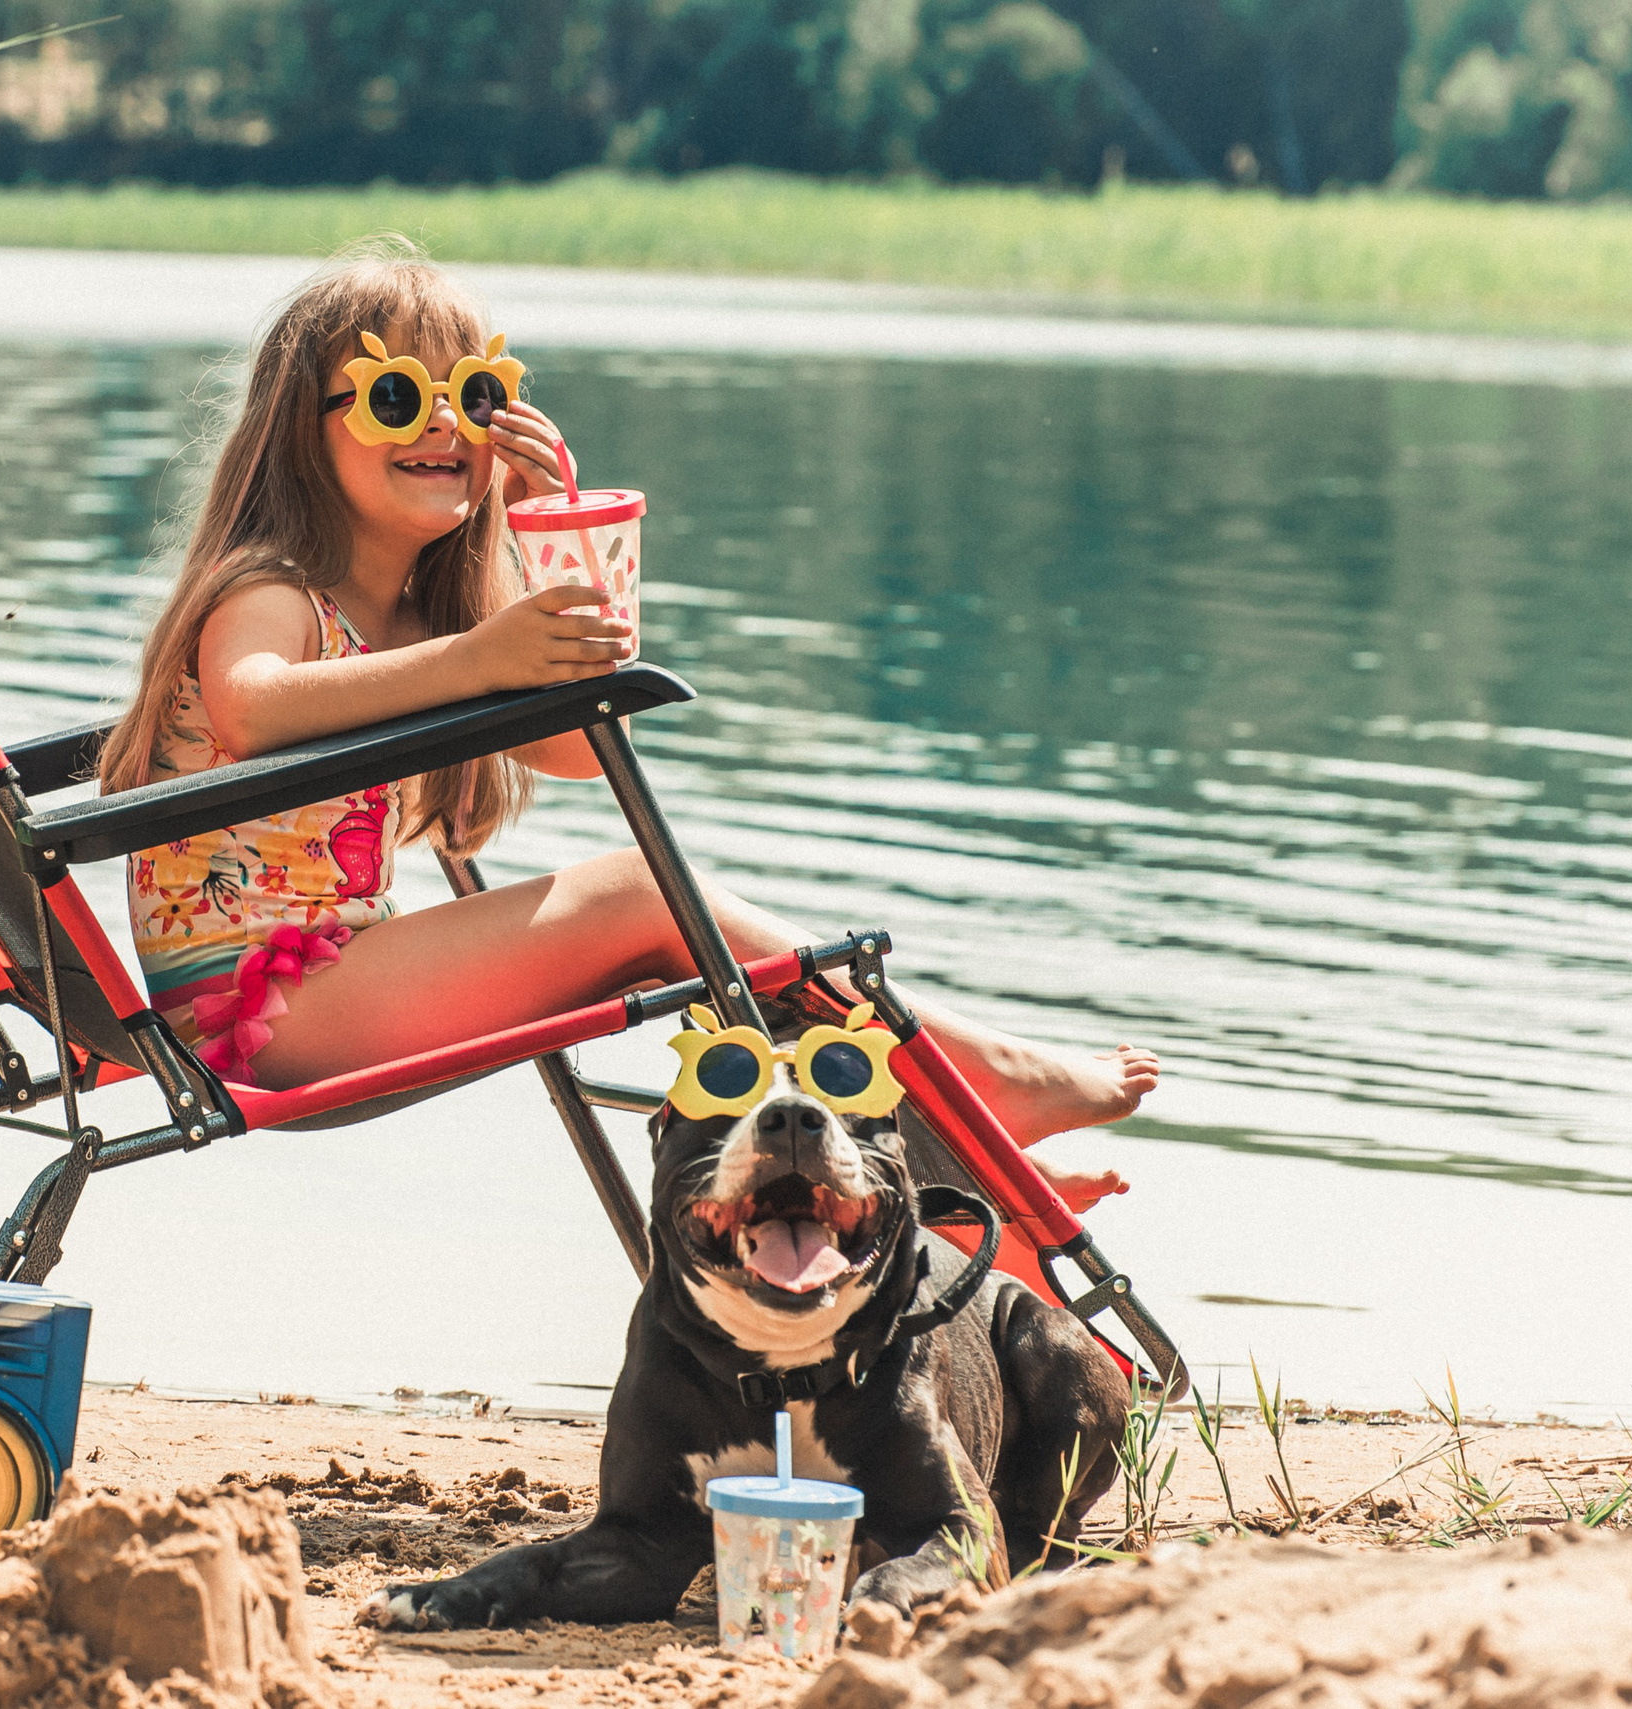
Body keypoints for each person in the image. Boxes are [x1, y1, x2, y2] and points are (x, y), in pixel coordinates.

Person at [99, 248, 1154, 1210]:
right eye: (392, 395)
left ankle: (963, 1159)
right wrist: (476, 659)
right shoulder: (269, 592)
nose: (442, 427)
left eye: (474, 396)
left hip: (335, 982)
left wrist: (537, 528)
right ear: (302, 427)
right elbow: (249, 702)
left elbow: (573, 749)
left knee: (691, 948)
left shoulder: (417, 622)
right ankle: (980, 1085)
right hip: (259, 1010)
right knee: (644, 895)